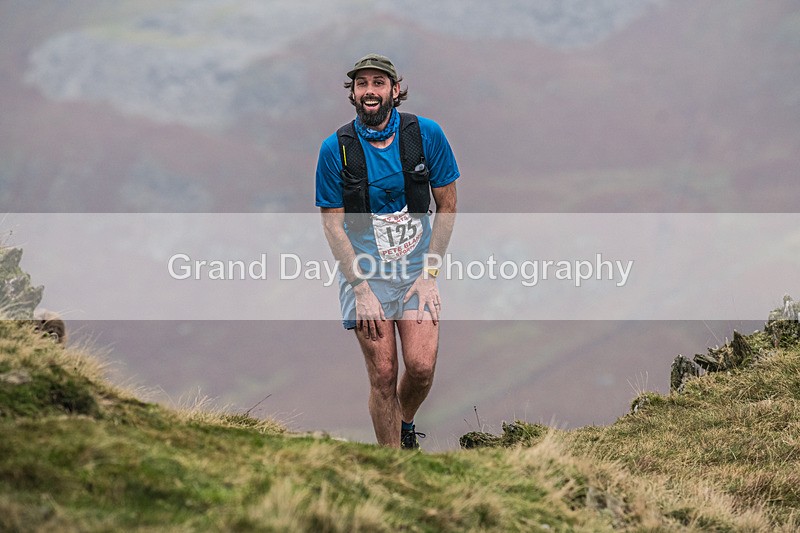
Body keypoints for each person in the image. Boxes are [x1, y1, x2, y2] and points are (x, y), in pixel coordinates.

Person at [315, 53, 459, 449]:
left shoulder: (426, 136)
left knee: (421, 368)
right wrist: (360, 290)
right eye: (362, 84)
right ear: (354, 94)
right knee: (382, 375)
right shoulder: (336, 149)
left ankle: (405, 425)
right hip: (366, 277)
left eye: (379, 83)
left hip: (415, 273)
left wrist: (429, 276)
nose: (370, 91)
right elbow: (332, 224)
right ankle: (392, 467)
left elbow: (447, 206)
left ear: (395, 91)